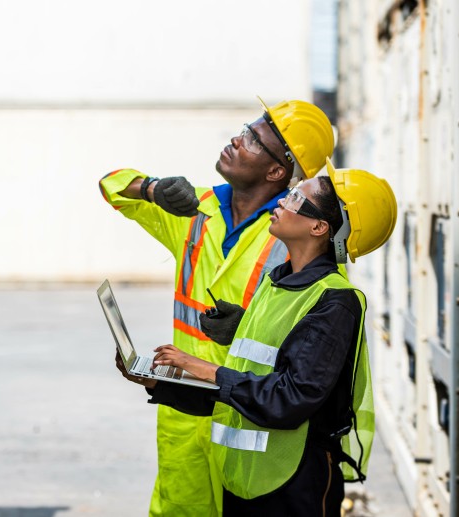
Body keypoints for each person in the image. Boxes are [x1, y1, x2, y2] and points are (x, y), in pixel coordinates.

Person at [117, 160, 397, 516]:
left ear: (319, 227)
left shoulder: (334, 301)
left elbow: (290, 398)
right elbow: (241, 387)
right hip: (246, 479)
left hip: (293, 485)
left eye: (295, 198)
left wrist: (205, 369)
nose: (282, 200)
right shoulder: (276, 282)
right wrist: (160, 384)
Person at [99, 98, 334, 516]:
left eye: (252, 139)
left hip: (246, 416)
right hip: (184, 410)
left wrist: (247, 327)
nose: (236, 139)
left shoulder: (292, 233)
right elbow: (112, 185)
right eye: (245, 129)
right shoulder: (193, 207)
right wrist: (152, 188)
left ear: (277, 171)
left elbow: (318, 345)